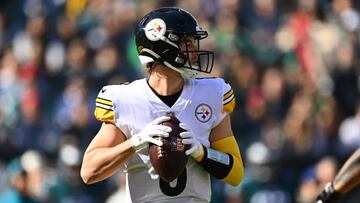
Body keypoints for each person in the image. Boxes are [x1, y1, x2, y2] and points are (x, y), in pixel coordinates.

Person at [80, 7, 244, 203]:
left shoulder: (211, 94)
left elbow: (236, 174)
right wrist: (135, 142)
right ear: (162, 48)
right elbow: (89, 171)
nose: (195, 51)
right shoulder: (125, 99)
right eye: (187, 43)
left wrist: (202, 153)